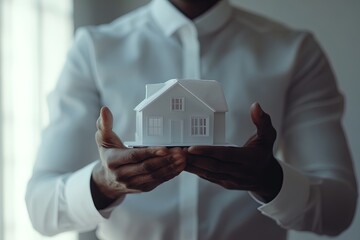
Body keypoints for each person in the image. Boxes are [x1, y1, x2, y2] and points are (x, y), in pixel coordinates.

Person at [26, 0, 358, 239]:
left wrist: (270, 180)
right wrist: (102, 183)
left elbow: (337, 211)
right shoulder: (93, 49)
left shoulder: (295, 50)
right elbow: (41, 208)